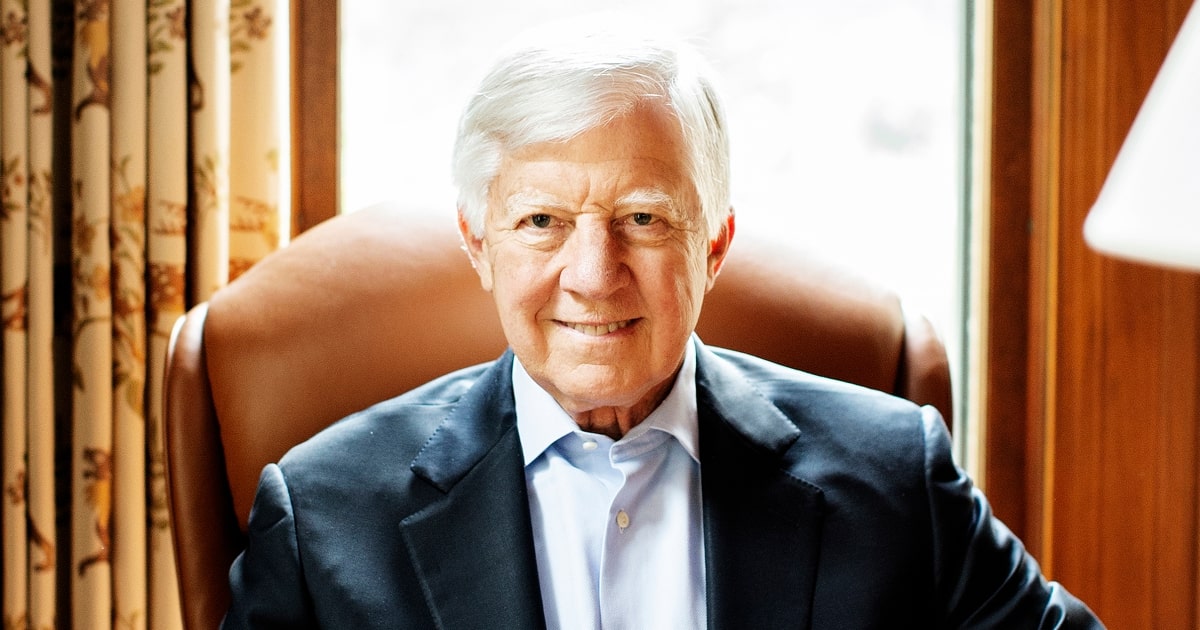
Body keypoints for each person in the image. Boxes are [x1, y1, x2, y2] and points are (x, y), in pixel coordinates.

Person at [222, 18, 1103, 629]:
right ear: (478, 244)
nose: (595, 276)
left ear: (714, 244)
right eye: (542, 223)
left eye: (644, 218)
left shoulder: (895, 476)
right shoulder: (322, 521)